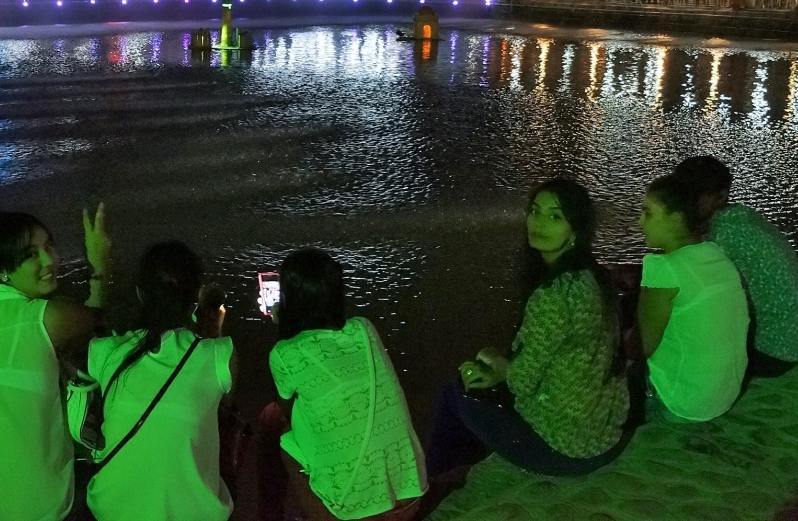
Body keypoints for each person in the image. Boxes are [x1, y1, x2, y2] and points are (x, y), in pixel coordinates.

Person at [425, 179, 629, 481]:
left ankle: (429, 483)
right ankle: (461, 470)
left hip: (566, 449)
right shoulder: (593, 278)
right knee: (483, 388)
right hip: (602, 435)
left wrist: (498, 364)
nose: (539, 222)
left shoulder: (554, 295)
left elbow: (522, 381)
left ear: (576, 230)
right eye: (535, 211)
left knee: (455, 394)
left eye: (555, 216)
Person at [0, 206, 112, 521]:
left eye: (49, 246)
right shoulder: (48, 318)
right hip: (38, 509)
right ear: (1, 270)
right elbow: (100, 320)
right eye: (31, 254)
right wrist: (100, 265)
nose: (49, 260)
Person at [258, 249, 426, 521]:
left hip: (351, 512)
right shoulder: (364, 329)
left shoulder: (284, 352)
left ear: (289, 298)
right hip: (410, 496)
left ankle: (277, 512)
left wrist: (284, 326)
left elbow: (286, 410)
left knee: (274, 424)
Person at [86, 242, 234, 521]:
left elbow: (94, 327)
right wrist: (212, 330)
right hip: (191, 514)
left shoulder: (103, 352)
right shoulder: (219, 355)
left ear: (140, 292)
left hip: (113, 509)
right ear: (194, 298)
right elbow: (225, 403)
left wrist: (99, 273)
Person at [674, 156, 798, 376]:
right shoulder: (741, 216)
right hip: (795, 341)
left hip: (771, 352)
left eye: (695, 196)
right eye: (682, 195)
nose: (686, 204)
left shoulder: (724, 234)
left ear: (720, 196)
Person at [637, 174, 748, 422]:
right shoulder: (716, 255)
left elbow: (642, 346)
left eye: (648, 213)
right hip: (723, 395)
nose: (640, 222)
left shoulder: (664, 268)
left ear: (676, 219)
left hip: (683, 402)